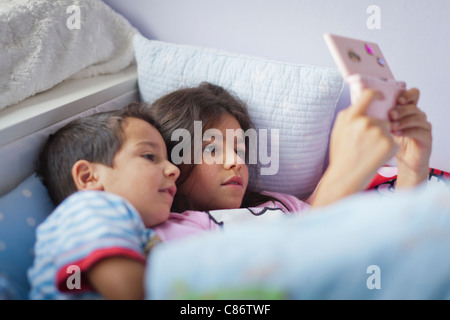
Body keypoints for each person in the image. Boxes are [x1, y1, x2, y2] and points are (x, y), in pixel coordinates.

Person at [149, 82, 432, 240]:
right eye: (213, 149)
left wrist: (411, 167)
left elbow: (390, 238)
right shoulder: (178, 230)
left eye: (240, 150)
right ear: (172, 163)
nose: (235, 161)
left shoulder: (276, 204)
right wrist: (346, 170)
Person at [28, 102, 180, 300]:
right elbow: (129, 293)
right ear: (88, 178)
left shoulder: (130, 227)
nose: (173, 169)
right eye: (150, 156)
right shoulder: (89, 208)